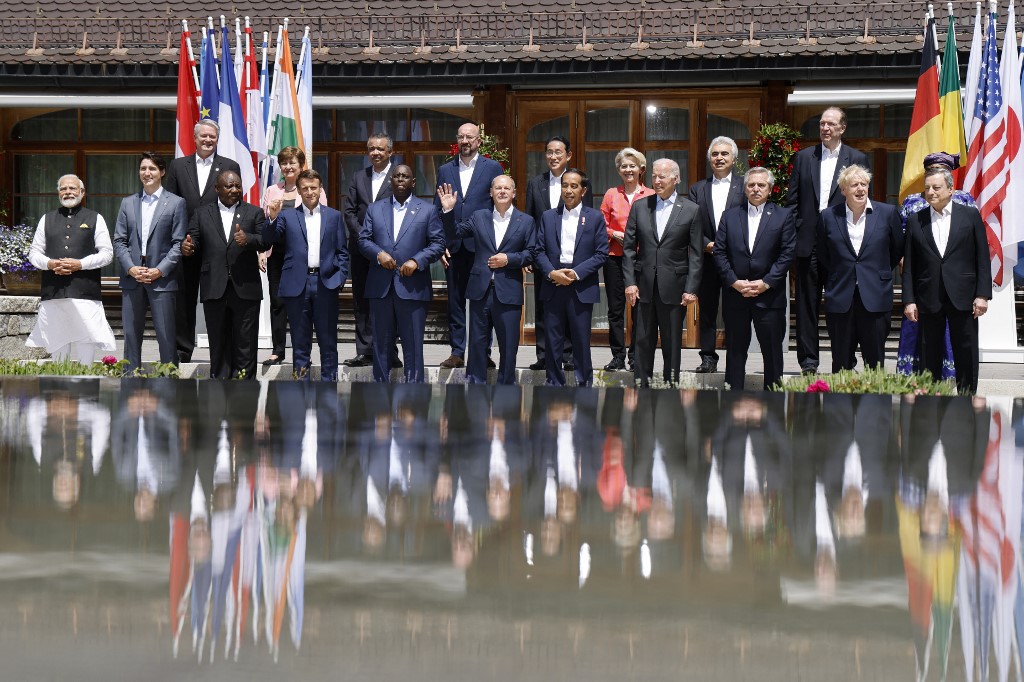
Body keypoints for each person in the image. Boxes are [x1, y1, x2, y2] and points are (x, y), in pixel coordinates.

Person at [786, 107, 869, 374]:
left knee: (842, 306)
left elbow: (862, 200)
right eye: (822, 124)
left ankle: (844, 362)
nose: (825, 128)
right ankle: (808, 362)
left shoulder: (856, 157)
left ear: (842, 128)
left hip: (841, 245)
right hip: (807, 243)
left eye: (831, 124)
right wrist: (794, 235)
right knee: (806, 306)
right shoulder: (803, 157)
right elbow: (792, 201)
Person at [438, 175, 536, 384]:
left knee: (509, 347)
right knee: (477, 346)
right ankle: (476, 395)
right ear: (490, 192)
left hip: (508, 292)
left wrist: (509, 259)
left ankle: (506, 394)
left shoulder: (526, 221)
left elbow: (531, 253)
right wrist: (448, 211)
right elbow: (455, 233)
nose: (502, 191)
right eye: (497, 188)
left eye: (506, 188)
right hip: (480, 291)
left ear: (514, 193)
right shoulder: (479, 216)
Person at [903, 167, 991, 394]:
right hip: (928, 296)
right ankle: (929, 401)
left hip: (964, 295)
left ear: (951, 189)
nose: (930, 192)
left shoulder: (970, 215)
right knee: (928, 351)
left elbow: (982, 257)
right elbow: (910, 266)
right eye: (927, 188)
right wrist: (909, 300)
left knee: (966, 350)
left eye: (936, 187)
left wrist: (982, 295)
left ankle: (967, 399)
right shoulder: (915, 221)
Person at [163, 119, 241, 363]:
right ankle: (182, 350)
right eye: (203, 136)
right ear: (195, 138)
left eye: (212, 137)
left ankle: (221, 351)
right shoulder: (177, 166)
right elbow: (170, 204)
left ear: (217, 139)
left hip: (217, 243)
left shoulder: (229, 165)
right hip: (186, 243)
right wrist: (178, 239)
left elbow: (234, 200)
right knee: (184, 300)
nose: (208, 140)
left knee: (217, 299)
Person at [359, 164, 446, 383]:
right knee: (380, 344)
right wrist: (379, 255)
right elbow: (363, 240)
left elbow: (438, 243)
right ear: (390, 181)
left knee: (413, 345)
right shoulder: (374, 209)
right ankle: (380, 395)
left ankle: (413, 395)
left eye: (405, 176)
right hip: (381, 287)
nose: (400, 179)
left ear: (413, 182)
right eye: (396, 176)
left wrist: (417, 260)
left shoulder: (427, 210)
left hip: (413, 287)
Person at [623, 158, 704, 387]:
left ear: (676, 179)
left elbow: (696, 254)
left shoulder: (691, 210)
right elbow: (629, 248)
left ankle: (671, 390)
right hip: (643, 287)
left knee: (672, 345)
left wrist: (691, 289)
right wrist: (630, 282)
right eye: (654, 176)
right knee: (642, 342)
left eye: (662, 177)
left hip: (675, 288)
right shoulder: (640, 206)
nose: (657, 181)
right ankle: (641, 388)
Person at [714, 167, 796, 390]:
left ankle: (774, 402)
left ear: (770, 189)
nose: (756, 189)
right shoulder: (730, 215)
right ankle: (733, 401)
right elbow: (720, 251)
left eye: (761, 185)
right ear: (745, 189)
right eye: (751, 185)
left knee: (772, 353)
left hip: (769, 297)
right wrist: (734, 281)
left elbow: (787, 254)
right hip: (736, 295)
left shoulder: (783, 215)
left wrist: (765, 283)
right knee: (735, 352)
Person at [816, 165, 903, 372]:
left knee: (875, 363)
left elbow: (896, 249)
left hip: (875, 296)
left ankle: (875, 404)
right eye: (854, 185)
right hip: (841, 297)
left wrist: (874, 273)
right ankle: (840, 404)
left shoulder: (888, 213)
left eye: (864, 184)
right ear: (843, 190)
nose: (860, 189)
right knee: (841, 362)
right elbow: (823, 253)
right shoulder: (828, 216)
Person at [264, 169, 349, 381]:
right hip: (297, 285)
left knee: (328, 341)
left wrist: (339, 278)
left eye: (314, 187)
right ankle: (300, 388)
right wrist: (272, 218)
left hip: (325, 283)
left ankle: (329, 389)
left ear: (320, 189)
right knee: (300, 343)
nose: (310, 192)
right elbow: (269, 240)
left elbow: (342, 252)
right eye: (305, 188)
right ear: (299, 192)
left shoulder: (334, 216)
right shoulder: (287, 215)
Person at [896, 152, 975, 378]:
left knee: (957, 336)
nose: (935, 173)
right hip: (924, 283)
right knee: (921, 335)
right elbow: (904, 244)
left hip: (955, 285)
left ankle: (952, 378)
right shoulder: (912, 202)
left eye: (941, 169)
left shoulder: (965, 201)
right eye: (930, 169)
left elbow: (974, 243)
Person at [433, 122, 504, 369]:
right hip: (453, 246)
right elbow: (437, 208)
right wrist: (440, 243)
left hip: (482, 244)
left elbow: (499, 204)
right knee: (455, 301)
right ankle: (457, 351)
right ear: (457, 140)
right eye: (461, 136)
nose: (465, 141)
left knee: (482, 302)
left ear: (478, 141)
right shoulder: (445, 169)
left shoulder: (492, 167)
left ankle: (482, 352)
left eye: (470, 137)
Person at [183, 170, 267, 380]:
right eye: (229, 186)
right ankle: (219, 392)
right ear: (217, 189)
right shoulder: (202, 213)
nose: (234, 190)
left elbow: (265, 240)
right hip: (215, 286)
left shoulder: (254, 212)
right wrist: (188, 247)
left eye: (237, 186)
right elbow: (193, 240)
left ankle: (245, 393)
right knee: (218, 342)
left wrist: (248, 239)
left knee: (245, 343)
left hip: (245, 287)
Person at [25, 174, 116, 364]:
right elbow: (34, 253)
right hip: (54, 293)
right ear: (58, 193)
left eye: (72, 188)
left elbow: (107, 254)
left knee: (86, 345)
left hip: (85, 293)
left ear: (82, 193)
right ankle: (59, 389)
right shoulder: (46, 219)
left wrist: (80, 264)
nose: (68, 192)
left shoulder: (95, 218)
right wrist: (50, 264)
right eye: (63, 189)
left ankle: (87, 390)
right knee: (58, 346)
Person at [112, 152, 188, 373]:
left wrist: (159, 270)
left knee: (165, 336)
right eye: (143, 168)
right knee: (131, 337)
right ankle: (130, 379)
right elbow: (119, 240)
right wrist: (130, 267)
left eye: (152, 169)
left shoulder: (176, 203)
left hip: (161, 279)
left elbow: (178, 244)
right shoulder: (128, 203)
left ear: (162, 172)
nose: (147, 173)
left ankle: (169, 384)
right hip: (132, 277)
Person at [535, 168, 609, 386]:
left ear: (583, 190)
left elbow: (601, 253)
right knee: (553, 340)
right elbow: (538, 251)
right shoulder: (548, 217)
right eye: (565, 185)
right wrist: (551, 273)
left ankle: (584, 384)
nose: (568, 190)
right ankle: (553, 384)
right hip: (553, 284)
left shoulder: (595, 218)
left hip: (581, 286)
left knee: (581, 340)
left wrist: (576, 273)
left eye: (574, 186)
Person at [259, 146, 326, 367]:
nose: (288, 167)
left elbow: (322, 221)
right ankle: (278, 350)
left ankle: (302, 352)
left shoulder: (310, 189)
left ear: (301, 166)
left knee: (301, 304)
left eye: (292, 163)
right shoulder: (271, 190)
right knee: (277, 303)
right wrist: (261, 251)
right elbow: (264, 223)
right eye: (284, 163)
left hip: (302, 255)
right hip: (277, 255)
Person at [687, 136, 746, 374]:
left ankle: (735, 356)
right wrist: (707, 245)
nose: (719, 158)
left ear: (734, 158)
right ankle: (708, 357)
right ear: (709, 158)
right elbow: (691, 224)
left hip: (736, 260)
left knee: (735, 312)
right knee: (708, 311)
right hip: (708, 259)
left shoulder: (745, 186)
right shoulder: (697, 188)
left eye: (724, 154)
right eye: (715, 154)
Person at [343, 133, 399, 369]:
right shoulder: (359, 176)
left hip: (388, 252)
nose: (375, 153)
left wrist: (381, 243)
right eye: (371, 149)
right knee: (362, 301)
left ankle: (390, 352)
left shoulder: (399, 175)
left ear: (390, 152)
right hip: (361, 251)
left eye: (380, 149)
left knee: (389, 301)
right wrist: (365, 238)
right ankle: (365, 351)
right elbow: (349, 211)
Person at [600, 147, 655, 372]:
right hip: (615, 257)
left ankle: (636, 357)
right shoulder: (611, 194)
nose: (628, 169)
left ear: (641, 169)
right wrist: (614, 234)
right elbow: (600, 224)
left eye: (632, 165)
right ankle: (617, 356)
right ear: (618, 170)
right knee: (616, 309)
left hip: (642, 259)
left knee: (640, 309)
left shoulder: (651, 195)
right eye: (624, 166)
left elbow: (657, 226)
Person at [524, 135, 574, 372]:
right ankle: (544, 354)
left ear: (568, 156)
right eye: (549, 152)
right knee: (543, 307)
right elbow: (529, 220)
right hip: (542, 256)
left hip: (570, 254)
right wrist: (530, 254)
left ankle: (568, 354)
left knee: (569, 306)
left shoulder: (578, 180)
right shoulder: (536, 183)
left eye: (558, 152)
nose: (553, 157)